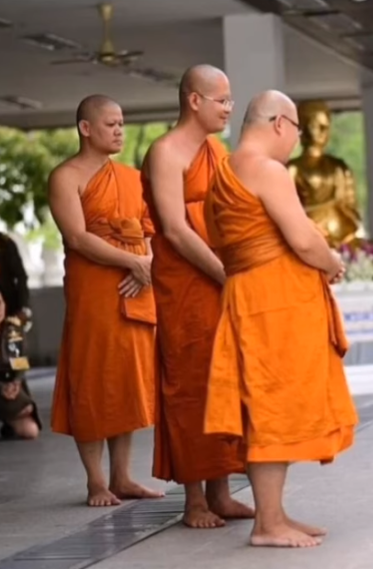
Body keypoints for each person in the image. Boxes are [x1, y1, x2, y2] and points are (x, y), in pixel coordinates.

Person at [204, 90, 358, 548]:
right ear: (278, 124)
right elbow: (302, 240)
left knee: (265, 405)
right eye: (296, 130)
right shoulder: (268, 169)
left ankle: (274, 512)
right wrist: (330, 262)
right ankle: (267, 525)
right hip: (274, 301)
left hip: (248, 294)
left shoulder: (224, 170)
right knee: (274, 405)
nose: (296, 140)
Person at [141, 65, 252, 529]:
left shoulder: (216, 150)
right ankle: (194, 501)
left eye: (229, 99)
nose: (229, 108)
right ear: (194, 100)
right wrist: (223, 274)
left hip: (220, 278)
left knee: (223, 380)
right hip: (185, 286)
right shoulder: (166, 152)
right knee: (187, 384)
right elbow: (174, 229)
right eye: (221, 99)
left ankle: (221, 490)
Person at [49, 94, 162, 507]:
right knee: (93, 379)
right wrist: (133, 265)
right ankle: (96, 481)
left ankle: (123, 477)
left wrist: (146, 263)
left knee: (126, 380)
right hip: (94, 288)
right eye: (111, 124)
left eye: (121, 124)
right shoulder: (66, 176)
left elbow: (149, 230)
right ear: (85, 128)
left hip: (137, 282)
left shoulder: (131, 177)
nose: (119, 130)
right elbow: (77, 238)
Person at [0, 204, 34, 440]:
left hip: (6, 311)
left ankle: (12, 413)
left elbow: (21, 279)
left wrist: (23, 310)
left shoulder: (5, 244)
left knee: (13, 357)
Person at [0, 287, 40, 440]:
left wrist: (16, 383)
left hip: (10, 384)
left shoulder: (15, 328)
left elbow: (22, 362)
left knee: (31, 431)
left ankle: (5, 421)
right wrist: (0, 388)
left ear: (5, 304)